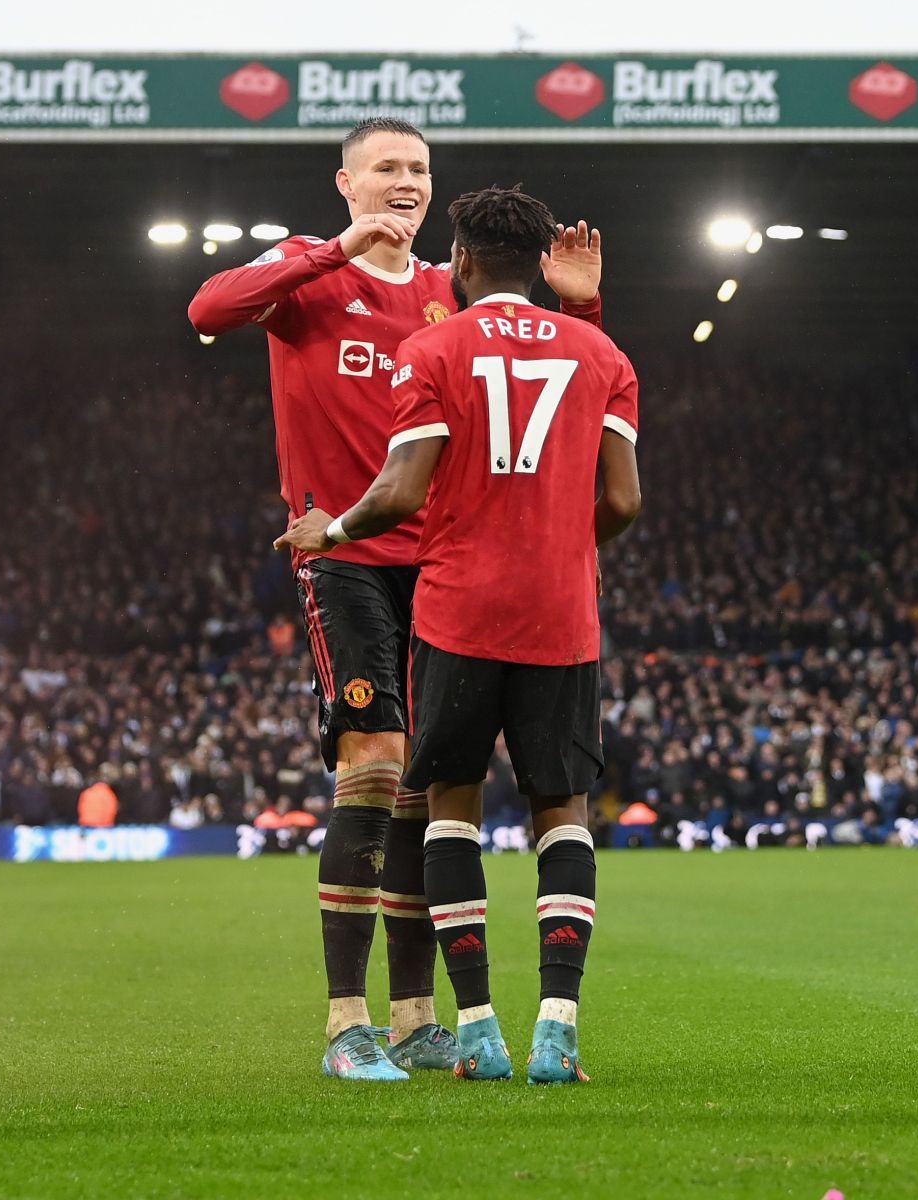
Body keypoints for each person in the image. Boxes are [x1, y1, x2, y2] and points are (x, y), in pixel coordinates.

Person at [189, 119, 606, 1081]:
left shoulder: (446, 293)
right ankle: (346, 1024)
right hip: (344, 553)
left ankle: (417, 1013)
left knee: (426, 779)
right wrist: (337, 248)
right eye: (387, 168)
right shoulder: (308, 274)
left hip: (446, 562)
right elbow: (208, 308)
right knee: (373, 765)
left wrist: (584, 306)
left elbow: (551, 376)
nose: (406, 182)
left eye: (419, 169)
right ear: (346, 182)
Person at [278, 184, 642, 1085]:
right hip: (563, 614)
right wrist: (563, 545)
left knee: (449, 807)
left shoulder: (432, 346)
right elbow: (626, 502)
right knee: (562, 813)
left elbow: (400, 492)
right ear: (542, 262)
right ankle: (557, 1033)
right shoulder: (602, 351)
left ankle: (475, 1027)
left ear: (464, 262)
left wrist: (335, 531)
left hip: (457, 608)